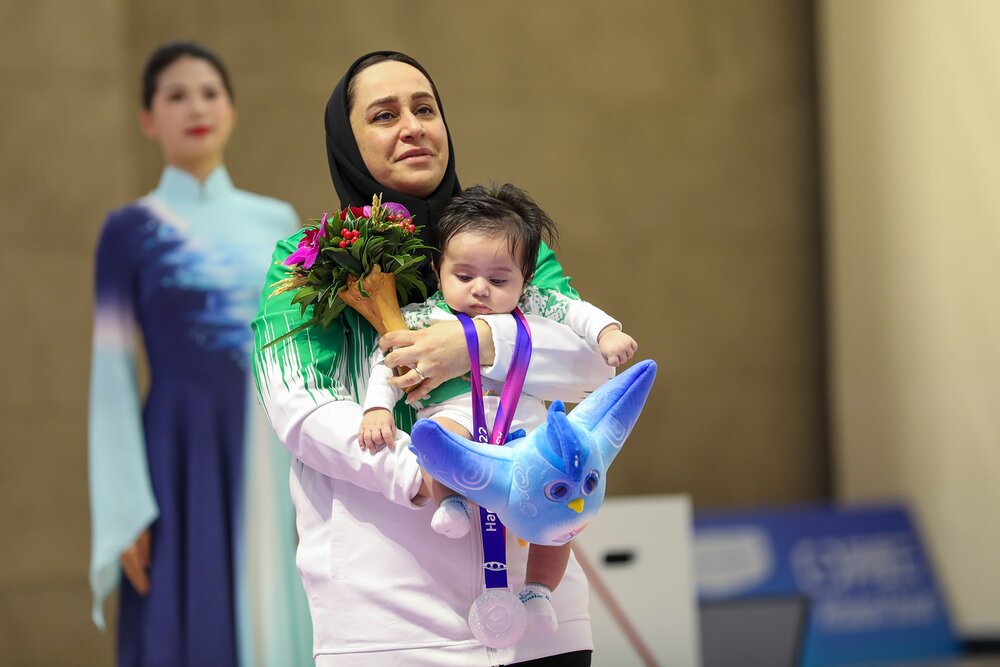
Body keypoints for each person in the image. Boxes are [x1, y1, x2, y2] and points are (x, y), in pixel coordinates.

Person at [251, 51, 614, 666]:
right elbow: (298, 406)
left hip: (537, 608)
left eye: (425, 109)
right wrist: (425, 473)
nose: (413, 126)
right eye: (384, 115)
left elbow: (589, 366)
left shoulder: (503, 242)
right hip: (391, 616)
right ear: (347, 140)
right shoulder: (306, 259)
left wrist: (475, 345)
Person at [87, 41, 311, 666]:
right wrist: (123, 506)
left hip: (270, 439)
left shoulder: (279, 222)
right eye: (175, 95)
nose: (196, 107)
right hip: (176, 448)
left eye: (210, 92)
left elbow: (298, 354)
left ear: (232, 110)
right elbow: (110, 373)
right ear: (148, 120)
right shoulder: (130, 230)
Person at [358, 183, 637, 633]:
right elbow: (385, 362)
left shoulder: (533, 305)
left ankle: (540, 590)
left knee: (558, 516)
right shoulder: (421, 318)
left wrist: (607, 334)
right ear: (438, 268)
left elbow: (577, 312)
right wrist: (378, 410)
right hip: (457, 413)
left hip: (526, 429)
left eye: (500, 279)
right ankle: (453, 504)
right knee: (439, 440)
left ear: (525, 279)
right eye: (463, 276)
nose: (481, 290)